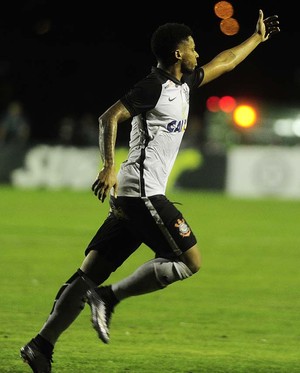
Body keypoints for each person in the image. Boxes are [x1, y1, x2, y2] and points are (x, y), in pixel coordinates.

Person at [20, 9, 280, 372]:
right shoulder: (153, 86)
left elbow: (226, 62)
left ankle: (40, 345)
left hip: (131, 197)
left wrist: (256, 38)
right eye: (192, 48)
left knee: (87, 274)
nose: (197, 53)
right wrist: (109, 165)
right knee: (190, 262)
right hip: (143, 194)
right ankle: (109, 298)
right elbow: (108, 117)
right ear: (177, 54)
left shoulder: (184, 85)